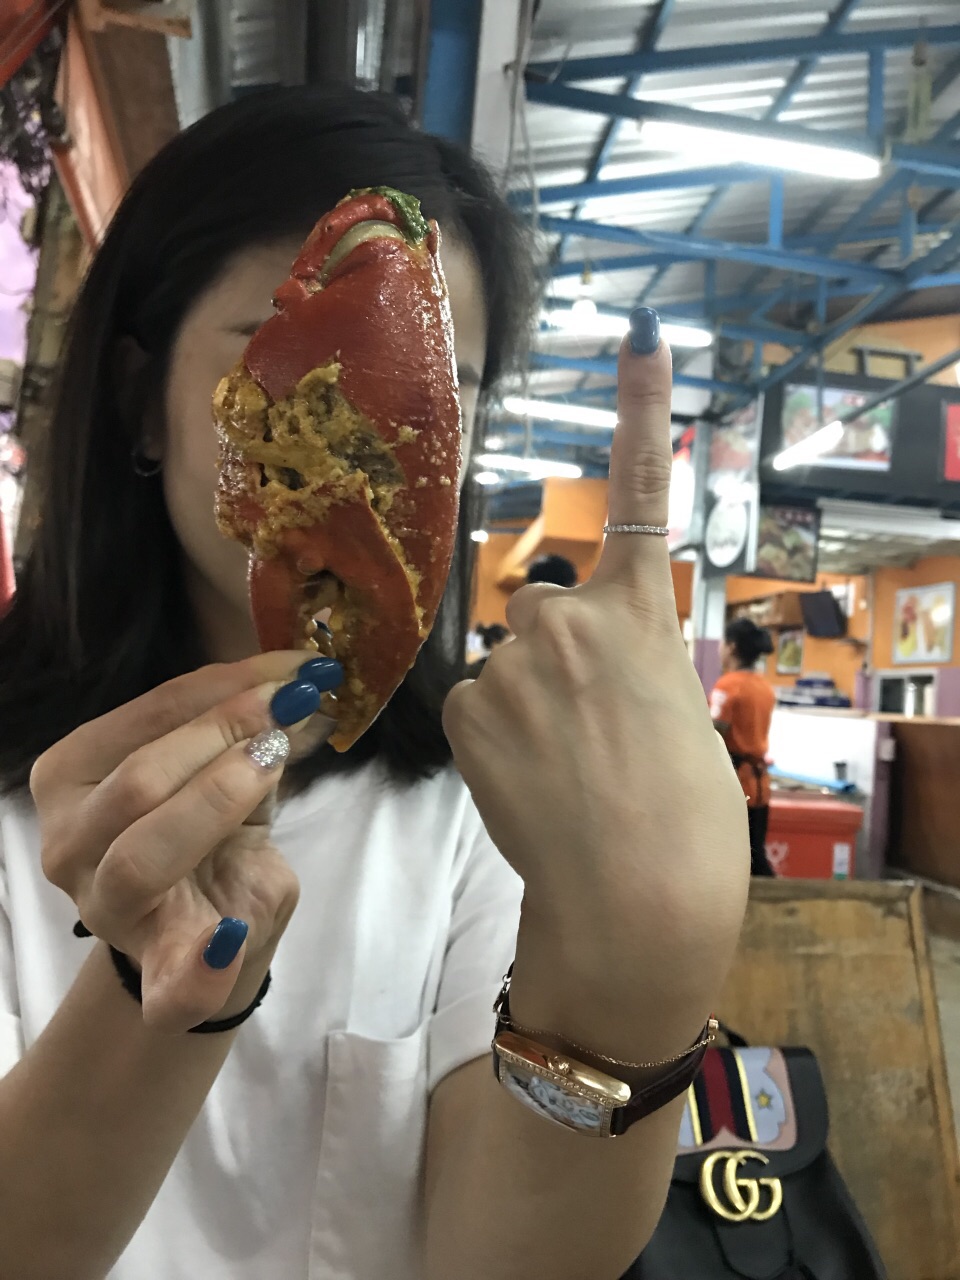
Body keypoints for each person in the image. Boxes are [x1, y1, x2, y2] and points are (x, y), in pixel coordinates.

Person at [0, 86, 748, 1280]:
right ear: (143, 400)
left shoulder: (492, 807)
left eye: (440, 395)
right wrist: (156, 988)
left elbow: (500, 1257)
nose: (380, 445)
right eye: (312, 370)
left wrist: (643, 965)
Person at [710, 617, 777, 877]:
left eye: (722, 642)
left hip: (735, 785)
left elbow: (713, 733)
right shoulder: (764, 687)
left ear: (732, 647)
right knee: (755, 854)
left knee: (738, 860)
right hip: (759, 787)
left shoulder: (728, 686)